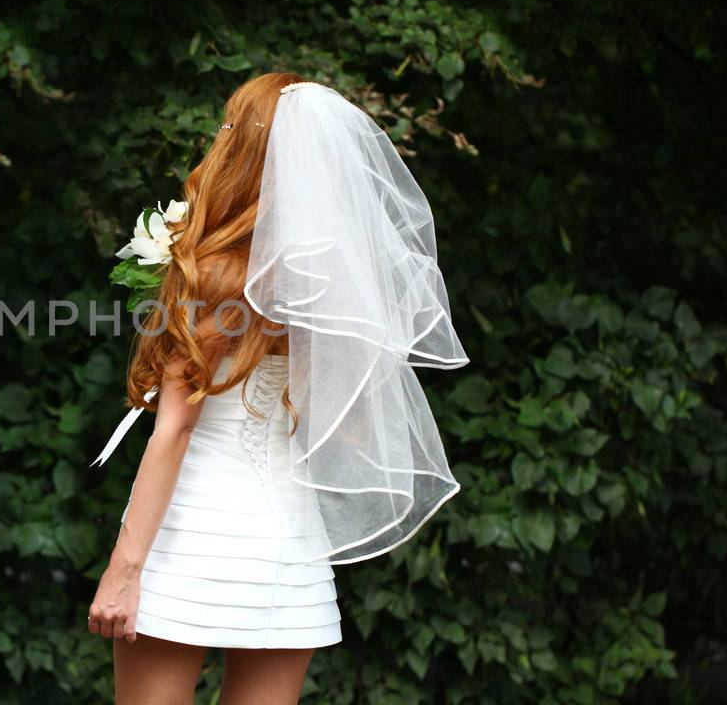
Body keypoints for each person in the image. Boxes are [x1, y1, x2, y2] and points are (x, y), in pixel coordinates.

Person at [88, 73, 468, 704]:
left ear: (244, 148)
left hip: (194, 540)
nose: (220, 134)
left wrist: (124, 572)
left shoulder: (208, 276)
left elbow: (176, 428)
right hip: (289, 550)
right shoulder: (338, 288)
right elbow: (347, 424)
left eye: (230, 124)